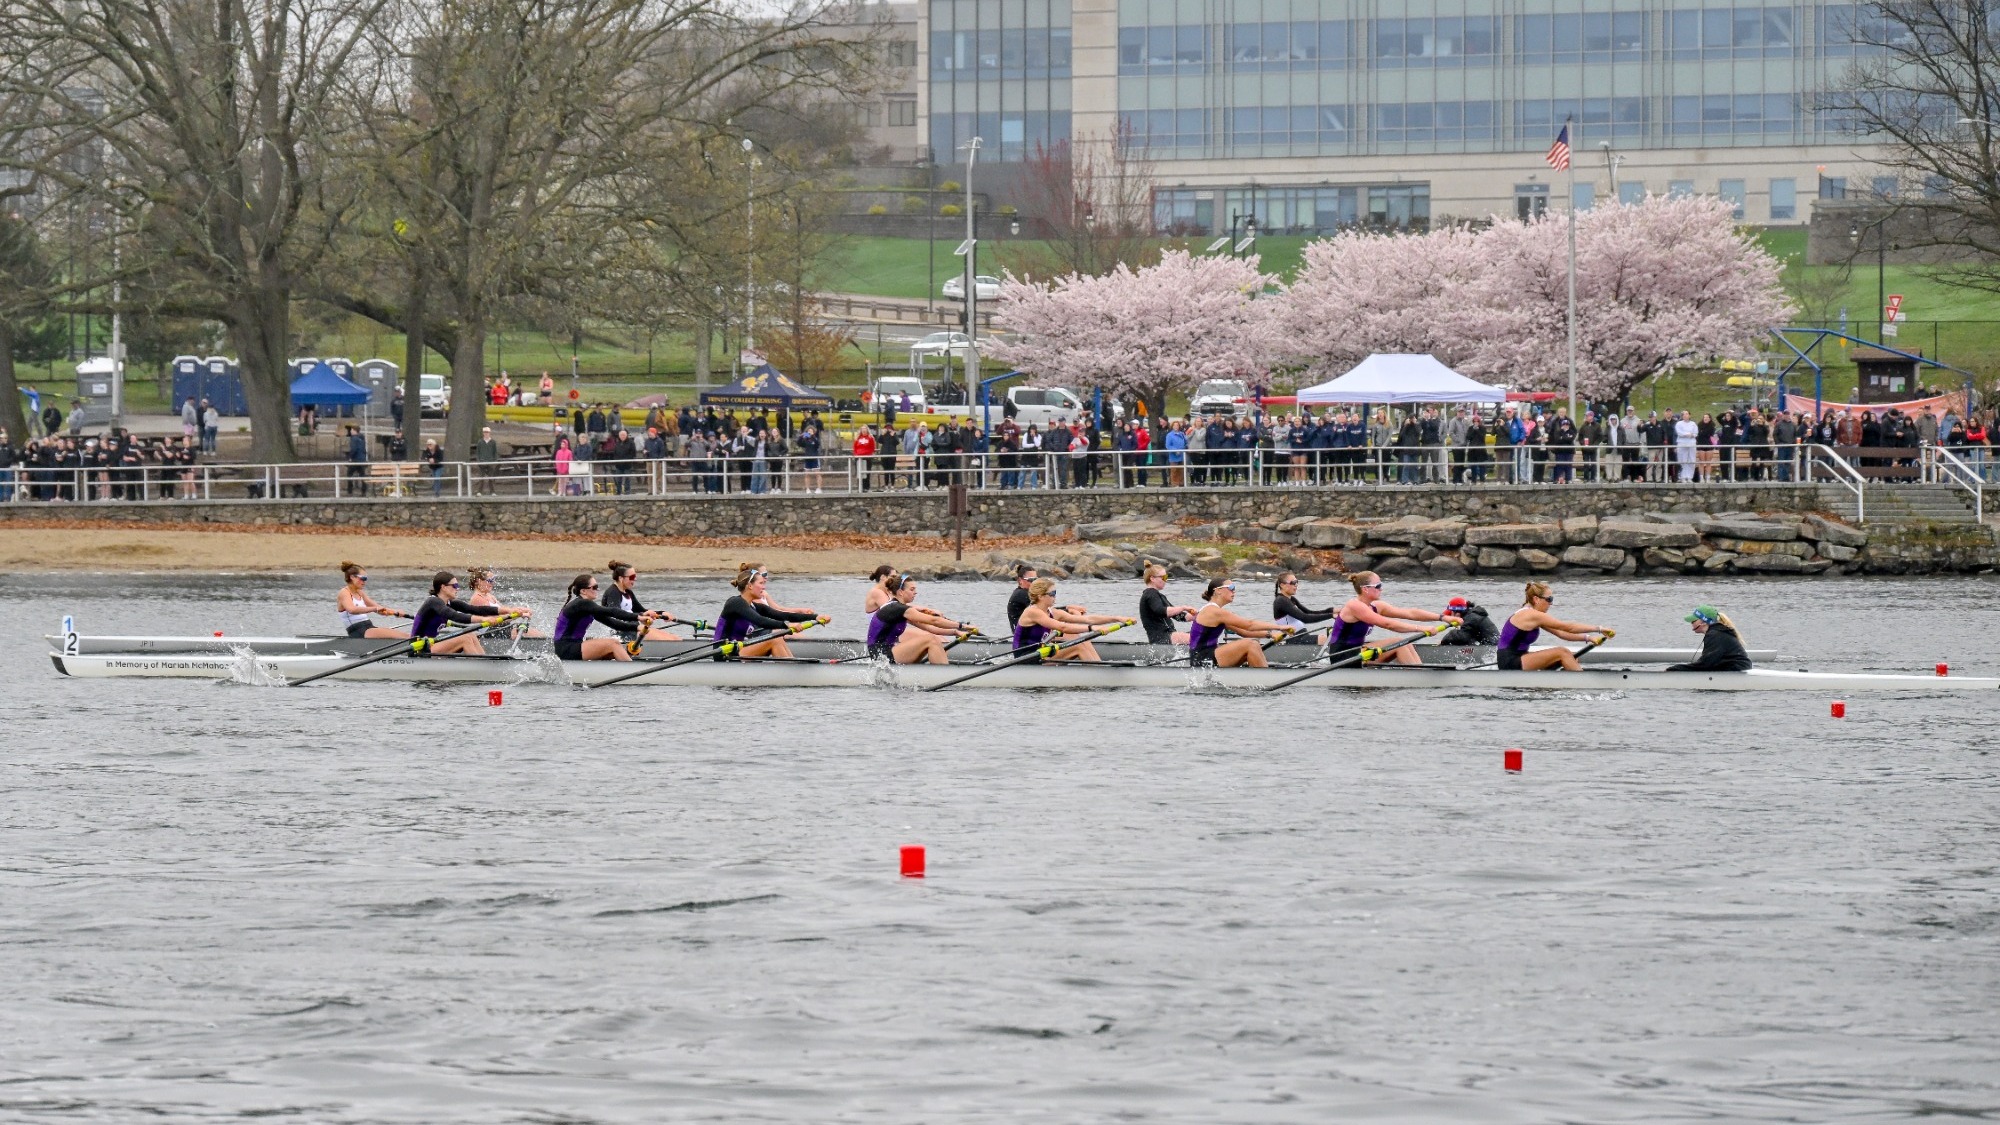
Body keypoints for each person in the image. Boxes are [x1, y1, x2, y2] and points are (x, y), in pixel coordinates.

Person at [1328, 570, 1457, 666]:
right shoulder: (1355, 606)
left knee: (1405, 643)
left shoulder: (1376, 606)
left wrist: (1443, 618)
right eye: (1378, 586)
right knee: (1398, 643)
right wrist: (1421, 629)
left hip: (1358, 653)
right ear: (1365, 589)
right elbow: (1387, 624)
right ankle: (1419, 677)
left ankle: (1420, 671)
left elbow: (1410, 613)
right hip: (1341, 656)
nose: (1381, 589)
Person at [1495, 580, 1614, 671]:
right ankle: (1583, 681)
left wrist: (1588, 638)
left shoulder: (1533, 615)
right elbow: (1568, 627)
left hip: (1518, 657)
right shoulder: (1531, 615)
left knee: (1572, 657)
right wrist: (1599, 629)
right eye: (1549, 599)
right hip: (1510, 661)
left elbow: (1561, 633)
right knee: (1562, 652)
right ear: (1536, 599)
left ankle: (1566, 680)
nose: (1551, 603)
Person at [716, 565, 825, 659]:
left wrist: (815, 617)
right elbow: (760, 621)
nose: (764, 587)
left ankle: (792, 668)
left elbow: (782, 615)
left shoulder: (754, 606)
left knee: (777, 638)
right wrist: (786, 625)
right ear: (750, 586)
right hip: (725, 653)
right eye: (761, 583)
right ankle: (791, 675)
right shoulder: (735, 602)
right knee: (775, 638)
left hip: (737, 649)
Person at [1013, 577, 1129, 663]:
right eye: (1052, 593)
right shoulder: (1032, 612)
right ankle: (1099, 673)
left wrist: (1116, 618)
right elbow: (1062, 627)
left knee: (1082, 640)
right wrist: (1092, 629)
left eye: (1055, 593)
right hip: (1025, 658)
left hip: (1041, 654)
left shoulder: (1053, 612)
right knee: (1077, 646)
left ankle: (1099, 666)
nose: (1055, 597)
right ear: (1041, 596)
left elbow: (1087, 619)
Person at [867, 574, 971, 664]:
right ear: (900, 592)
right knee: (930, 639)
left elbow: (930, 628)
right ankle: (945, 674)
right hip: (880, 655)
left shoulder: (901, 610)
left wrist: (956, 632)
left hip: (886, 652)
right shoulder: (898, 608)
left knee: (931, 637)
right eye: (912, 589)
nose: (915, 592)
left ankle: (939, 670)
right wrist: (962, 625)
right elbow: (934, 621)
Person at [1188, 578, 1288, 667]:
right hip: (1202, 659)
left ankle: (1256, 676)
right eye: (1231, 587)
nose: (1234, 591)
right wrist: (1280, 627)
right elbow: (1249, 625)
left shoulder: (1217, 612)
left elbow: (1244, 632)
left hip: (1206, 657)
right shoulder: (1213, 611)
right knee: (1251, 644)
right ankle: (1267, 678)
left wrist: (1270, 634)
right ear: (1218, 591)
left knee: (1251, 646)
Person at [553, 573, 651, 661]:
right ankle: (632, 671)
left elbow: (613, 623)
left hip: (572, 647)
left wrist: (637, 627)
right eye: (594, 587)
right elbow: (612, 611)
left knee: (611, 652)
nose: (598, 590)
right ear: (583, 591)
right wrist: (638, 617)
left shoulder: (587, 607)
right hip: (565, 648)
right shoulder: (581, 604)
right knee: (613, 643)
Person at [410, 571, 511, 655]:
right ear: (443, 587)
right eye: (454, 585)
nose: (457, 588)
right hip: (419, 648)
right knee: (465, 638)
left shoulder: (449, 602)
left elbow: (476, 609)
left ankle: (485, 663)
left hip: (431, 645)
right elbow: (455, 616)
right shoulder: (433, 602)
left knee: (471, 634)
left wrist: (510, 611)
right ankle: (480, 668)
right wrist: (483, 619)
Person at [601, 560, 683, 641]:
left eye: (635, 576)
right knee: (673, 641)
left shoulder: (628, 592)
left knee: (676, 638)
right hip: (623, 634)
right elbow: (616, 615)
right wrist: (641, 615)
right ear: (621, 578)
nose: (635, 580)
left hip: (634, 629)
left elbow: (641, 611)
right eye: (632, 577)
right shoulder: (613, 593)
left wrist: (661, 613)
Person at [1665, 605, 1752, 672]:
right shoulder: (1717, 632)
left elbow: (1705, 664)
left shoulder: (1715, 635)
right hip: (1735, 669)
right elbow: (1706, 662)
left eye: (1693, 621)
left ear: (1703, 621)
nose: (1691, 623)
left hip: (1737, 671)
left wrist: (1675, 669)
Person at [336, 561, 409, 639]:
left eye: (366, 579)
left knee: (404, 636)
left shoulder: (360, 593)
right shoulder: (344, 593)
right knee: (406, 636)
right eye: (363, 578)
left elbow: (380, 609)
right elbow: (352, 610)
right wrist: (375, 609)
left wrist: (395, 612)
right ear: (352, 577)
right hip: (357, 631)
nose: (364, 582)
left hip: (368, 628)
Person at [464, 567, 539, 637]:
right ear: (479, 581)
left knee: (531, 631)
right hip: (489, 633)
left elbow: (504, 611)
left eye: (493, 580)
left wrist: (520, 610)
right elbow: (496, 619)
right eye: (490, 580)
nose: (493, 583)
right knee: (524, 632)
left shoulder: (490, 596)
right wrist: (519, 615)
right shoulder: (477, 598)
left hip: (498, 629)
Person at [1270, 571, 1338, 645]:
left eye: (1297, 582)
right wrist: (1331, 616)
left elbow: (1309, 613)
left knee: (1331, 637)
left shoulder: (1291, 599)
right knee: (1327, 639)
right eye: (1293, 582)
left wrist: (1332, 611)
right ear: (1282, 585)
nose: (1296, 585)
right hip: (1294, 639)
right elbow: (1305, 618)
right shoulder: (1281, 601)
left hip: (1302, 637)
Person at [1138, 563, 1197, 645]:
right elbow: (1162, 611)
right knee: (1198, 639)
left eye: (1166, 577)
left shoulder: (1159, 596)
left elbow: (1179, 616)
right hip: (1161, 638)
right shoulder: (1150, 594)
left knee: (1201, 633)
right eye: (1163, 577)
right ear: (1152, 578)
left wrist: (1198, 616)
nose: (1166, 580)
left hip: (1170, 635)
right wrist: (1183, 607)